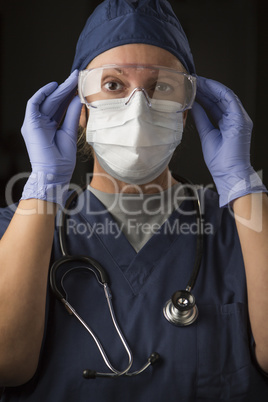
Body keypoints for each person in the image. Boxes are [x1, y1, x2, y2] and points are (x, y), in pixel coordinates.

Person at [0, 0, 268, 400]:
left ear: (183, 112)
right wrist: (42, 187)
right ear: (82, 110)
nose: (138, 108)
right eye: (113, 85)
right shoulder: (16, 228)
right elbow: (6, 363)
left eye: (161, 86)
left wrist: (243, 185)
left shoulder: (243, 228)